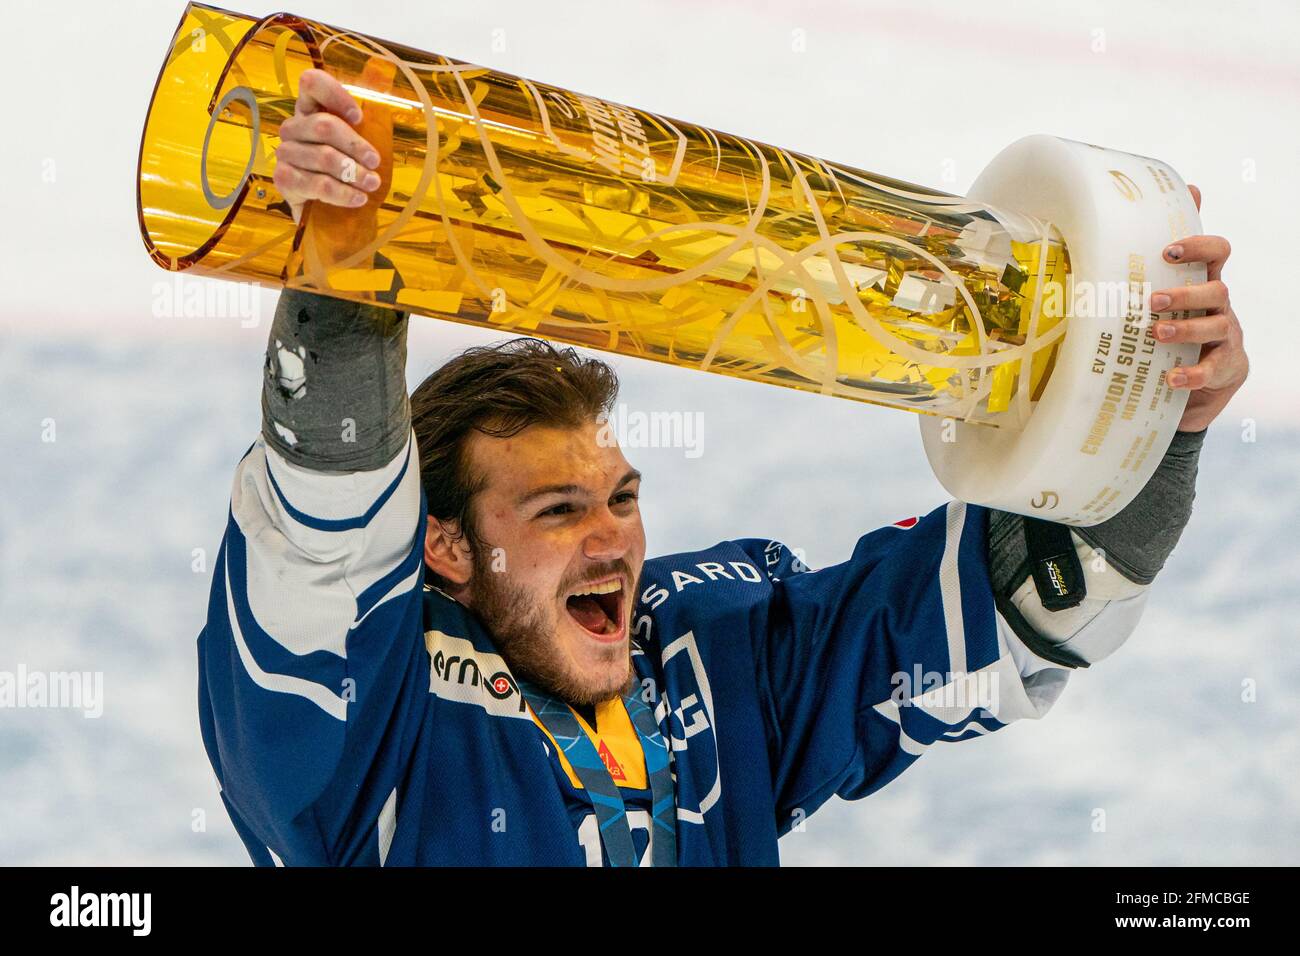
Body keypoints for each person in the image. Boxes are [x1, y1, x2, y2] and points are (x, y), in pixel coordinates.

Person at [197, 70, 1248, 866]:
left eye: (618, 496)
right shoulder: (376, 739)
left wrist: (1152, 407)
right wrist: (342, 268)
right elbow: (319, 561)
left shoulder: (713, 659)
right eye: (557, 509)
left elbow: (1029, 596)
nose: (610, 537)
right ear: (445, 545)